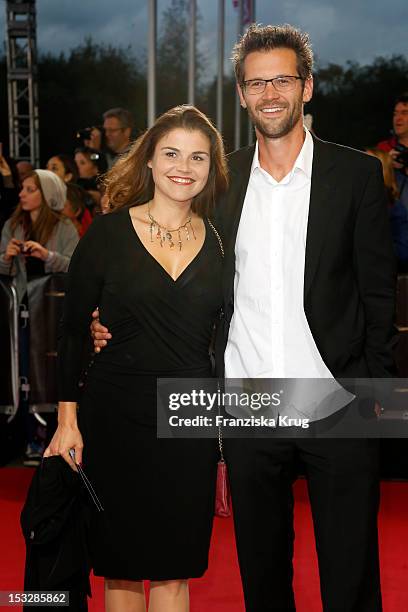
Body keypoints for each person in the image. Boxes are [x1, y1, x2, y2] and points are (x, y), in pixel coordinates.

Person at [93, 25, 396, 611]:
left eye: (282, 79)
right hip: (248, 402)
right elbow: (172, 269)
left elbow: (379, 300)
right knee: (261, 573)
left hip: (339, 399)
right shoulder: (220, 183)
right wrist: (110, 318)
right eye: (257, 82)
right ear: (241, 94)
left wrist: (376, 401)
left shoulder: (356, 176)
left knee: (351, 572)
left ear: (307, 87)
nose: (270, 93)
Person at [44, 105, 228, 612]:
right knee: (120, 569)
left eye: (198, 157)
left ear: (212, 168)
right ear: (149, 159)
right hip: (115, 414)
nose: (183, 166)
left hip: (190, 416)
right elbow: (73, 331)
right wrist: (67, 422)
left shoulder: (221, 241)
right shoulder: (106, 235)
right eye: (171, 153)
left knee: (176, 567)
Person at [377, 93, 408, 215]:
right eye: (395, 113)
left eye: (404, 113)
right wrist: (386, 165)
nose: (397, 118)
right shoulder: (383, 149)